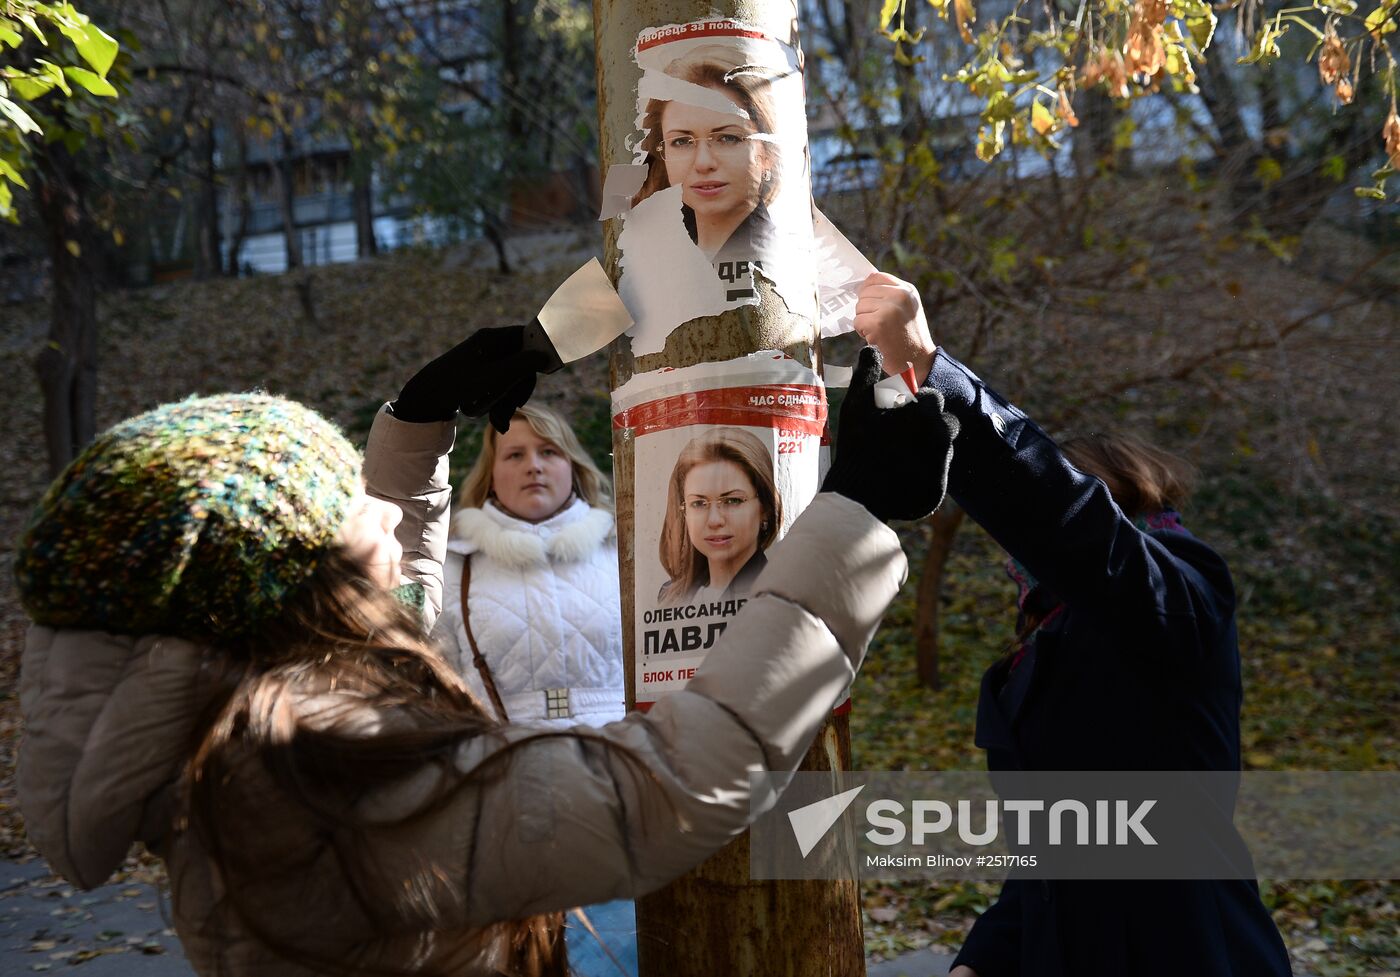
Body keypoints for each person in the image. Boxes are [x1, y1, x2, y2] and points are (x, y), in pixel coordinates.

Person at [14, 322, 957, 977]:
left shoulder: (247, 728)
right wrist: (855, 515)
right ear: (294, 582)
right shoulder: (327, 775)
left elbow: (388, 620)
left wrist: (416, 422)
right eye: (345, 506)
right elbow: (671, 785)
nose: (373, 520)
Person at [848, 272, 1292, 977]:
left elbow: (1072, 528)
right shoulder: (1040, 646)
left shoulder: (1178, 587)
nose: (1017, 548)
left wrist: (931, 371)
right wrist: (980, 962)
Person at [434, 403, 623, 729]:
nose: (534, 466)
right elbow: (437, 690)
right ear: (491, 476)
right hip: (501, 760)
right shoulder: (452, 567)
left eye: (549, 452)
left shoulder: (623, 550)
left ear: (573, 468)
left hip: (623, 754)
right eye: (515, 455)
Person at [633, 45, 780, 265]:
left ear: (767, 152)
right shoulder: (653, 262)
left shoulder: (785, 262)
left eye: (728, 138)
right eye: (681, 142)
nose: (703, 163)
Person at [657, 427, 782, 604]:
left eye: (732, 501)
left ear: (765, 509)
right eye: (699, 503)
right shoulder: (669, 595)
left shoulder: (779, 594)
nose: (715, 520)